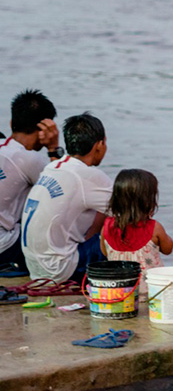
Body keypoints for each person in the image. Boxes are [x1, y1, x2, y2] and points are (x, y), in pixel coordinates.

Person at [21, 112, 110, 283]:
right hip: (60, 270)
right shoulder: (90, 176)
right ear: (99, 145)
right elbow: (126, 212)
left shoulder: (53, 166)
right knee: (119, 225)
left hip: (35, 267)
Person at [0, 90, 62, 272]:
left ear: (12, 123)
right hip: (5, 248)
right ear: (44, 128)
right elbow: (64, 190)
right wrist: (53, 148)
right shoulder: (28, 159)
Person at [100, 169, 173, 271]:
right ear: (148, 201)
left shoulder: (107, 227)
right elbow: (168, 249)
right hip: (151, 286)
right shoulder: (154, 228)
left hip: (119, 286)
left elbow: (104, 252)